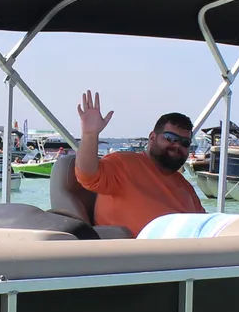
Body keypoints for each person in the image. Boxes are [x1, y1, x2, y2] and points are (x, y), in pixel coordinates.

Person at [73, 91, 203, 235]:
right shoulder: (123, 164)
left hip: (188, 246)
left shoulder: (185, 187)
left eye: (185, 142)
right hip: (135, 248)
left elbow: (204, 225)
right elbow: (87, 174)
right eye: (170, 138)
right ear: (152, 137)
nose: (177, 145)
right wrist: (90, 134)